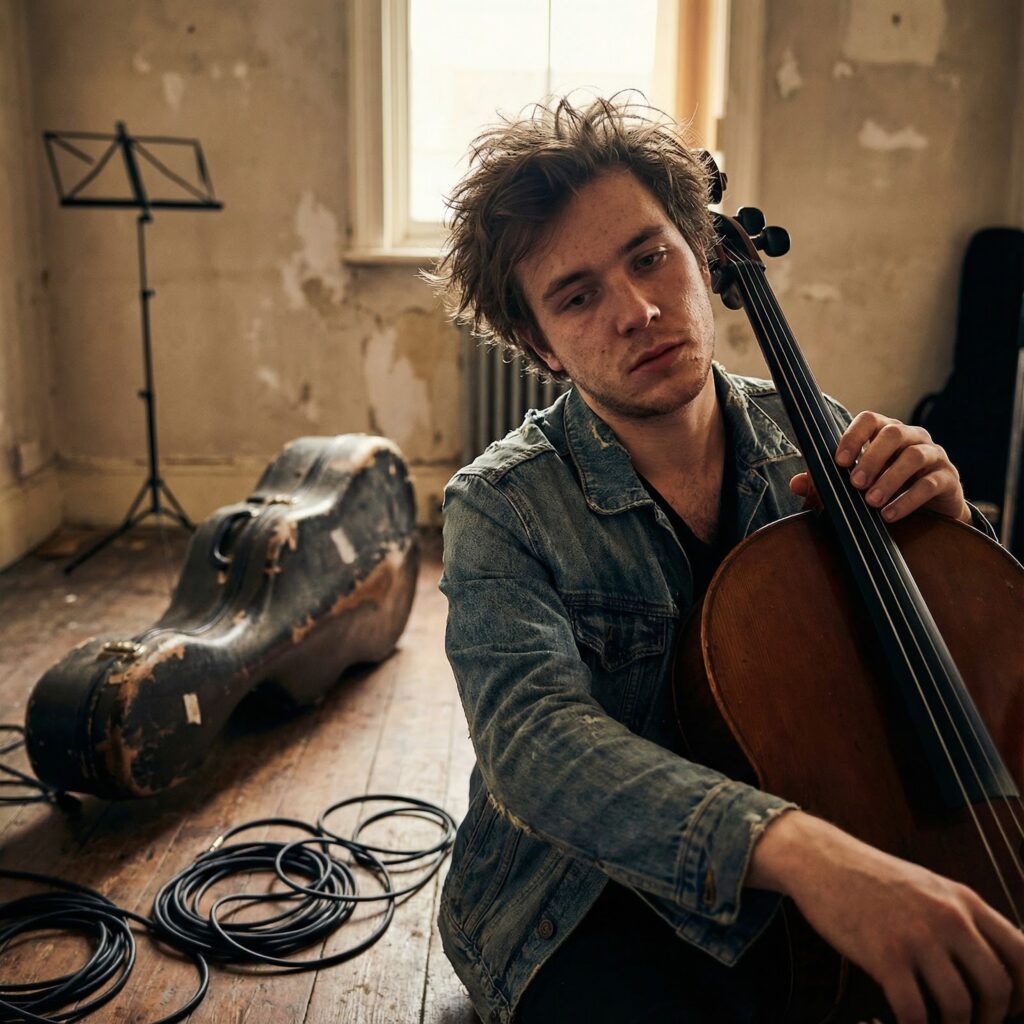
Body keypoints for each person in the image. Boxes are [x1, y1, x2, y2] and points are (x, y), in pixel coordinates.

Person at [426, 96, 1024, 1024]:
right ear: (539, 343)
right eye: (578, 296)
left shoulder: (812, 430)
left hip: (825, 840)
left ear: (705, 258)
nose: (639, 310)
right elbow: (534, 745)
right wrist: (808, 854)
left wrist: (948, 531)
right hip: (576, 898)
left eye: (650, 256)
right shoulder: (501, 508)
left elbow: (959, 668)